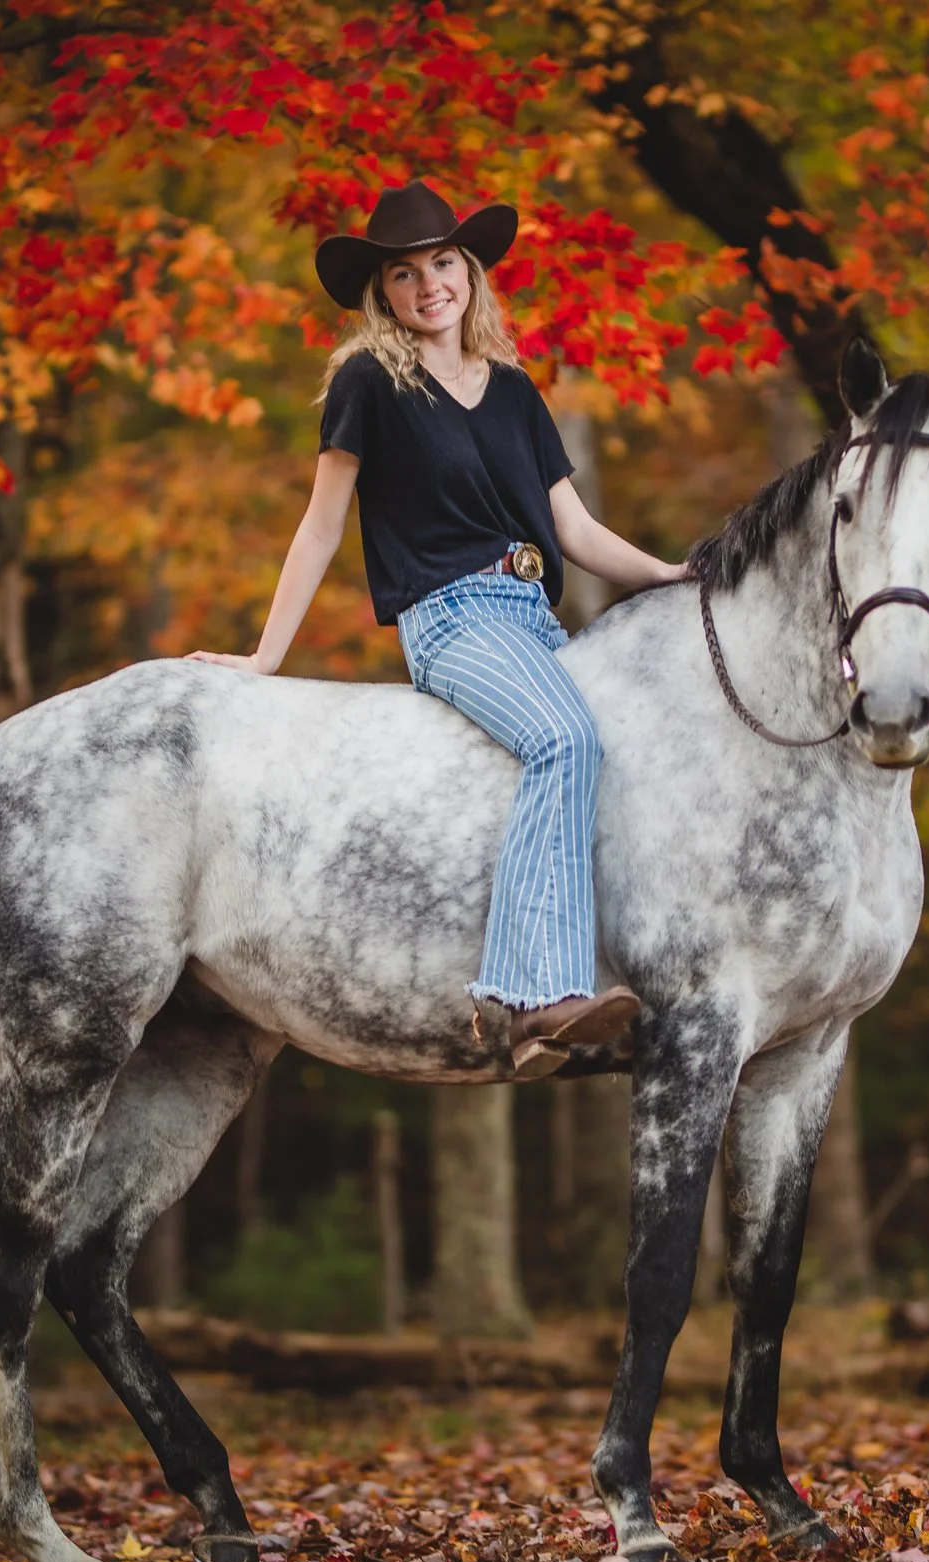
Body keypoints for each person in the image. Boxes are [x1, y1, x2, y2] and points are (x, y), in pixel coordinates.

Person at [188, 182, 684, 1078]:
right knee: (567, 739)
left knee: (611, 757)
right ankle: (529, 996)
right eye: (405, 273)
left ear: (471, 272)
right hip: (450, 616)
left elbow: (573, 530)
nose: (429, 286)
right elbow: (321, 525)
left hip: (534, 618)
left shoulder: (517, 394)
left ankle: (611, 971)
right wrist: (265, 656)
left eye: (444, 263)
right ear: (384, 292)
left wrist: (673, 573)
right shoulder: (371, 383)